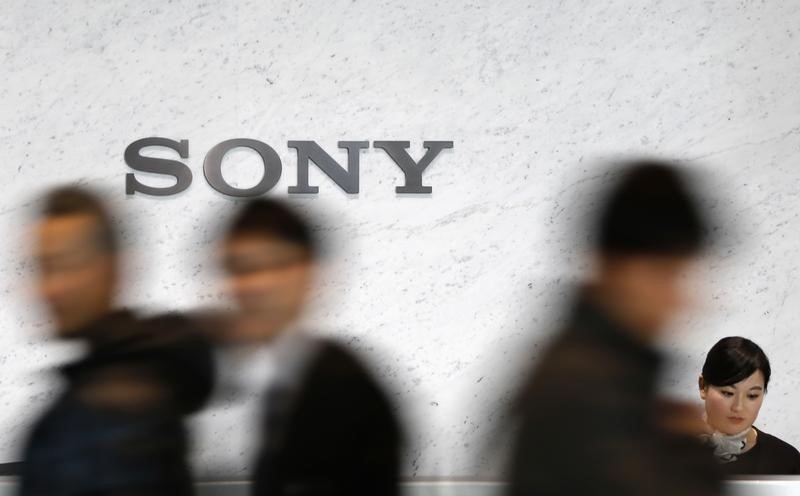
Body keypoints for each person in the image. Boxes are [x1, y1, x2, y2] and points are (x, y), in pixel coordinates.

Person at [506, 160, 723, 496]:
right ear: (617, 267)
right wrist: (690, 451)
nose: (682, 300)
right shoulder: (586, 391)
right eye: (668, 274)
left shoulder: (590, 375)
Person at [20, 186, 213, 496]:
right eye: (42, 267)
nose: (49, 289)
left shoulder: (114, 414)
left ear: (113, 268)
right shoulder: (118, 389)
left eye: (65, 265)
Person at [215, 198, 401, 496]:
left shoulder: (345, 386)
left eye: (275, 264)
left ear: (310, 271)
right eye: (240, 268)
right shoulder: (264, 377)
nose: (257, 285)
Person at [699, 336, 800, 474]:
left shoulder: (786, 460)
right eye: (728, 393)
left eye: (752, 396)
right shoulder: (667, 451)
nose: (738, 407)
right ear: (703, 386)